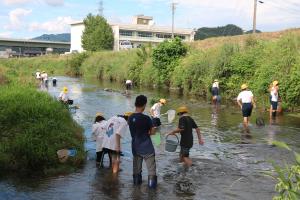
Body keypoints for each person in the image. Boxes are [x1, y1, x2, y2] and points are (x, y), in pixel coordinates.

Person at [128, 95, 157, 188]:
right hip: (147, 147)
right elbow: (152, 132)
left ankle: (136, 191)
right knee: (151, 170)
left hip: (135, 147)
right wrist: (151, 130)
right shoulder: (147, 118)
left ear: (135, 104)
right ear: (144, 105)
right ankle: (152, 193)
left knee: (136, 170)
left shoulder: (130, 117)